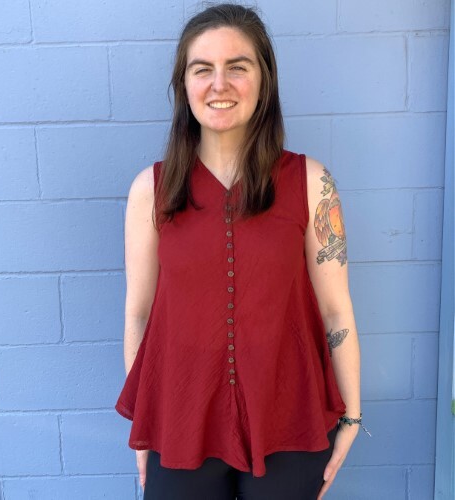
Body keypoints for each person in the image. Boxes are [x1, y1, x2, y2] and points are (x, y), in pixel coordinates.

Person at [115, 3, 367, 499]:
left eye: (237, 66)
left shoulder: (311, 183)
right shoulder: (152, 190)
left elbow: (336, 310)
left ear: (264, 79)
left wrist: (353, 415)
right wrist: (144, 426)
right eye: (202, 69)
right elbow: (139, 315)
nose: (219, 84)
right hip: (181, 423)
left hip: (289, 421)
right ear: (184, 84)